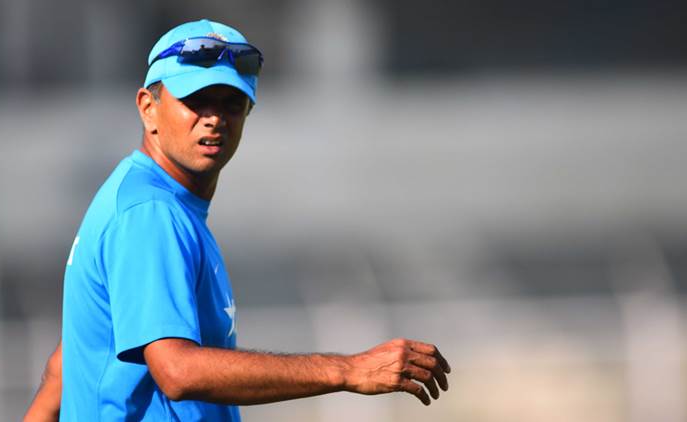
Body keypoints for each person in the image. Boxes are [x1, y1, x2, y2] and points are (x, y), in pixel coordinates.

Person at [23, 18, 451, 422]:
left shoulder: (151, 199)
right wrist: (348, 370)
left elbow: (70, 360)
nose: (214, 118)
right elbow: (177, 372)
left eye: (230, 103)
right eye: (195, 101)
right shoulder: (150, 213)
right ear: (148, 108)